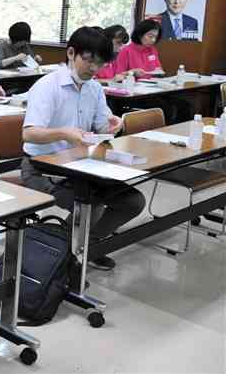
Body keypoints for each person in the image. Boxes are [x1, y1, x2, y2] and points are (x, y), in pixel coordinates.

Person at [20, 26, 145, 271]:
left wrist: (114, 124)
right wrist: (64, 133)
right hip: (41, 168)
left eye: (100, 63)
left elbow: (102, 126)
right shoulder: (48, 86)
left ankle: (84, 248)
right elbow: (29, 133)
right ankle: (63, 258)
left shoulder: (94, 88)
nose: (93, 69)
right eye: (89, 61)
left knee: (133, 201)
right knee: (91, 203)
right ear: (70, 53)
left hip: (79, 166)